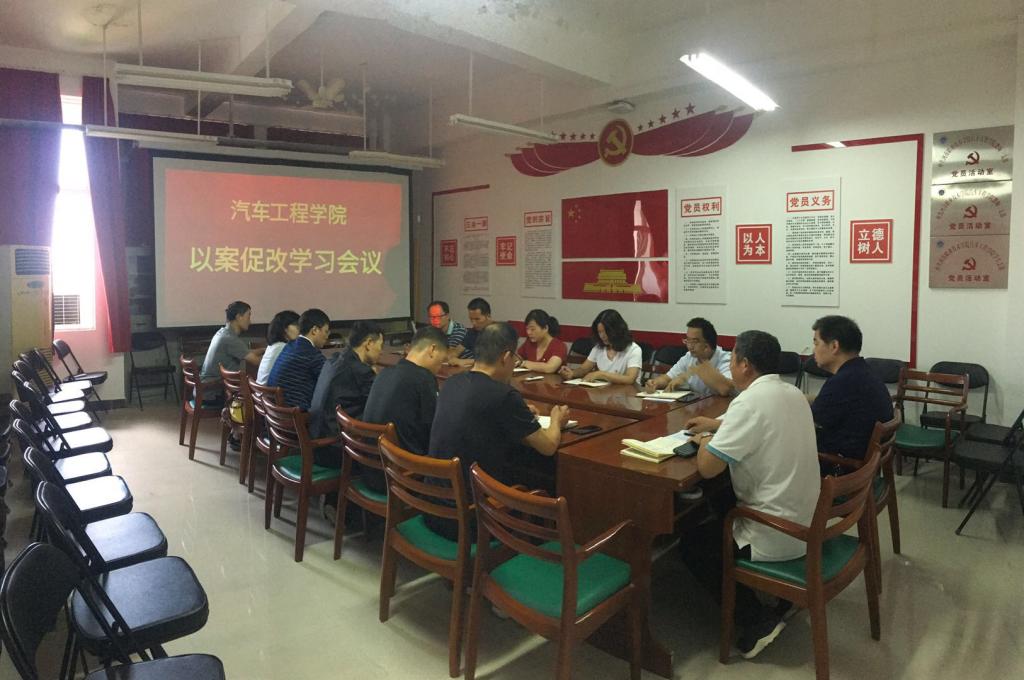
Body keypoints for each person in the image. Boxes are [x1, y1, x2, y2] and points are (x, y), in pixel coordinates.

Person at [681, 330, 821, 659]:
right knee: (720, 499)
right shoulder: (792, 392)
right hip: (807, 518)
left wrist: (706, 441)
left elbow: (707, 468)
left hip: (776, 529)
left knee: (692, 544)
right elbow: (759, 423)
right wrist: (718, 425)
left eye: (732, 358)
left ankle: (756, 621)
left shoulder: (748, 402)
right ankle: (769, 597)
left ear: (744, 364)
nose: (730, 365)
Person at [428, 322, 569, 540]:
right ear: (506, 357)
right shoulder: (503, 395)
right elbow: (548, 446)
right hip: (474, 519)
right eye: (515, 359)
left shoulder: (452, 383)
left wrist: (519, 414)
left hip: (435, 508)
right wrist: (556, 420)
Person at [361, 325, 448, 492]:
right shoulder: (423, 379)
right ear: (432, 349)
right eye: (441, 360)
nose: (440, 367)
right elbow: (433, 431)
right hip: (399, 478)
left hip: (371, 470)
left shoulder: (384, 373)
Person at [810, 315, 894, 474]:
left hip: (842, 467)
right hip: (864, 462)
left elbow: (811, 421)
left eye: (816, 343)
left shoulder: (842, 382)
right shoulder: (862, 371)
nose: (813, 350)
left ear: (834, 346)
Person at [308, 320, 384, 440]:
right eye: (380, 345)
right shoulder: (360, 371)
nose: (381, 351)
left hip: (316, 432)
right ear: (369, 343)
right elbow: (381, 403)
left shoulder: (333, 360)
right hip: (334, 441)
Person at [644, 317, 734, 396]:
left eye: (694, 341)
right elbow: (667, 378)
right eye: (688, 340)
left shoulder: (726, 360)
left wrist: (701, 366)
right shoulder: (689, 356)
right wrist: (654, 383)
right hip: (697, 406)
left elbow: (725, 389)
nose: (690, 346)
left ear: (707, 345)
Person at [267, 308, 330, 410]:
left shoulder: (290, 345)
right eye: (326, 331)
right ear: (314, 330)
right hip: (295, 414)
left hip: (276, 411)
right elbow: (330, 381)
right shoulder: (311, 354)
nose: (327, 336)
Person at [558, 309, 642, 384]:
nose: (602, 336)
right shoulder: (598, 348)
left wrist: (601, 374)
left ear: (617, 330)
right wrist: (572, 373)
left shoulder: (633, 349)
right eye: (599, 332)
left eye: (606, 332)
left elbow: (629, 379)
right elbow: (584, 369)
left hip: (627, 394)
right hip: (603, 392)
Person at [200, 300, 264, 386]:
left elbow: (246, 352)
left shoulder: (223, 333)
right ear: (238, 317)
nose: (250, 321)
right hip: (213, 390)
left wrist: (264, 350)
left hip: (207, 386)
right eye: (248, 316)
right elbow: (256, 361)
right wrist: (275, 357)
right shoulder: (230, 339)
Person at [516, 309, 568, 374]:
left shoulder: (559, 346)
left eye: (532, 329)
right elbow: (517, 358)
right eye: (527, 329)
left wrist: (525, 363)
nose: (528, 332)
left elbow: (550, 368)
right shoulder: (529, 343)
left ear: (545, 328)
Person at [257, 310, 300, 384]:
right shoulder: (284, 348)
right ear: (285, 328)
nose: (300, 330)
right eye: (297, 325)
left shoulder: (274, 346)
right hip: (272, 390)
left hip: (260, 390)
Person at [449, 297, 492, 367]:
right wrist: (452, 357)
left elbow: (492, 360)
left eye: (477, 319)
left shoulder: (498, 332)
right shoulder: (472, 332)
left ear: (488, 316)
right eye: (471, 319)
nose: (473, 323)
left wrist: (464, 361)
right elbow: (456, 351)